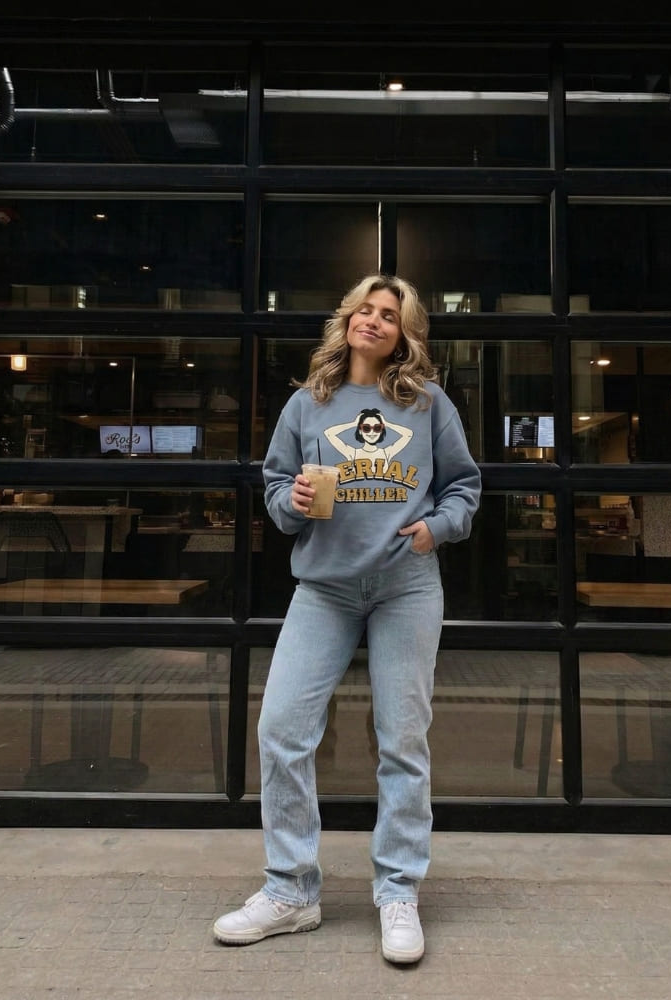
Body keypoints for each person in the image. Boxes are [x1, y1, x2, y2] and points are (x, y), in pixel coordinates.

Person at [213, 273, 481, 964]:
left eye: (390, 314)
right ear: (347, 321)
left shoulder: (426, 403)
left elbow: (464, 487)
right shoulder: (309, 404)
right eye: (365, 309)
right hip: (325, 590)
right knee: (281, 730)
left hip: (405, 589)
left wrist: (436, 530)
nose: (375, 320)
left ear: (404, 332)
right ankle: (293, 891)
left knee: (402, 740)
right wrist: (294, 500)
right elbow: (274, 492)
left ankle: (398, 891)